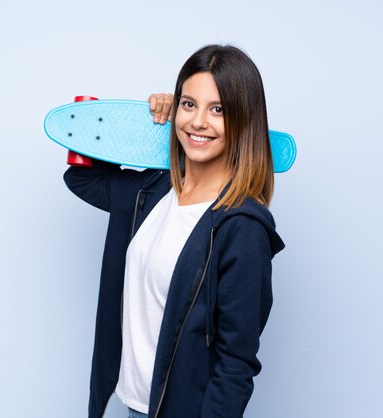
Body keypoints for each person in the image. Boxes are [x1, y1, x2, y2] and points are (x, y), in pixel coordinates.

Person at [63, 44, 285, 418]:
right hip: (131, 404)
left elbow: (235, 365)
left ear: (244, 120)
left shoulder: (242, 227)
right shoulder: (150, 193)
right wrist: (145, 123)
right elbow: (81, 177)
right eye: (189, 104)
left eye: (218, 110)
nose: (199, 121)